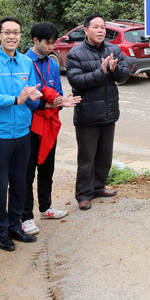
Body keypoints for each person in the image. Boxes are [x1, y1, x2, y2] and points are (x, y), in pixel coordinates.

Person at [0, 17, 42, 252]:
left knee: (19, 182)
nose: (12, 37)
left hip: (23, 132)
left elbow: (34, 89)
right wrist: (16, 99)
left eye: (16, 32)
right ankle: (1, 232)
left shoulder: (26, 62)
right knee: (0, 184)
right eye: (7, 32)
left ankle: (15, 227)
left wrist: (36, 95)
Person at [21, 22, 82, 235]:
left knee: (47, 168)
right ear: (35, 40)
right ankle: (25, 216)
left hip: (49, 122)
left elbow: (56, 90)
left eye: (53, 43)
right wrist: (47, 103)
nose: (51, 47)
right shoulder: (23, 62)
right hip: (29, 124)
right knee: (27, 172)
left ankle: (46, 207)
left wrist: (56, 101)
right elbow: (26, 96)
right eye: (47, 43)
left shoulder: (53, 64)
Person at [66, 14, 130, 210]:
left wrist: (113, 69)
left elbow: (126, 73)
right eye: (96, 27)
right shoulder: (75, 54)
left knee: (104, 154)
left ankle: (99, 186)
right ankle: (84, 194)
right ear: (86, 30)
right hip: (87, 114)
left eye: (103, 27)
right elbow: (76, 81)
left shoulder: (114, 50)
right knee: (87, 158)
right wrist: (101, 72)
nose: (101, 30)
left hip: (109, 112)